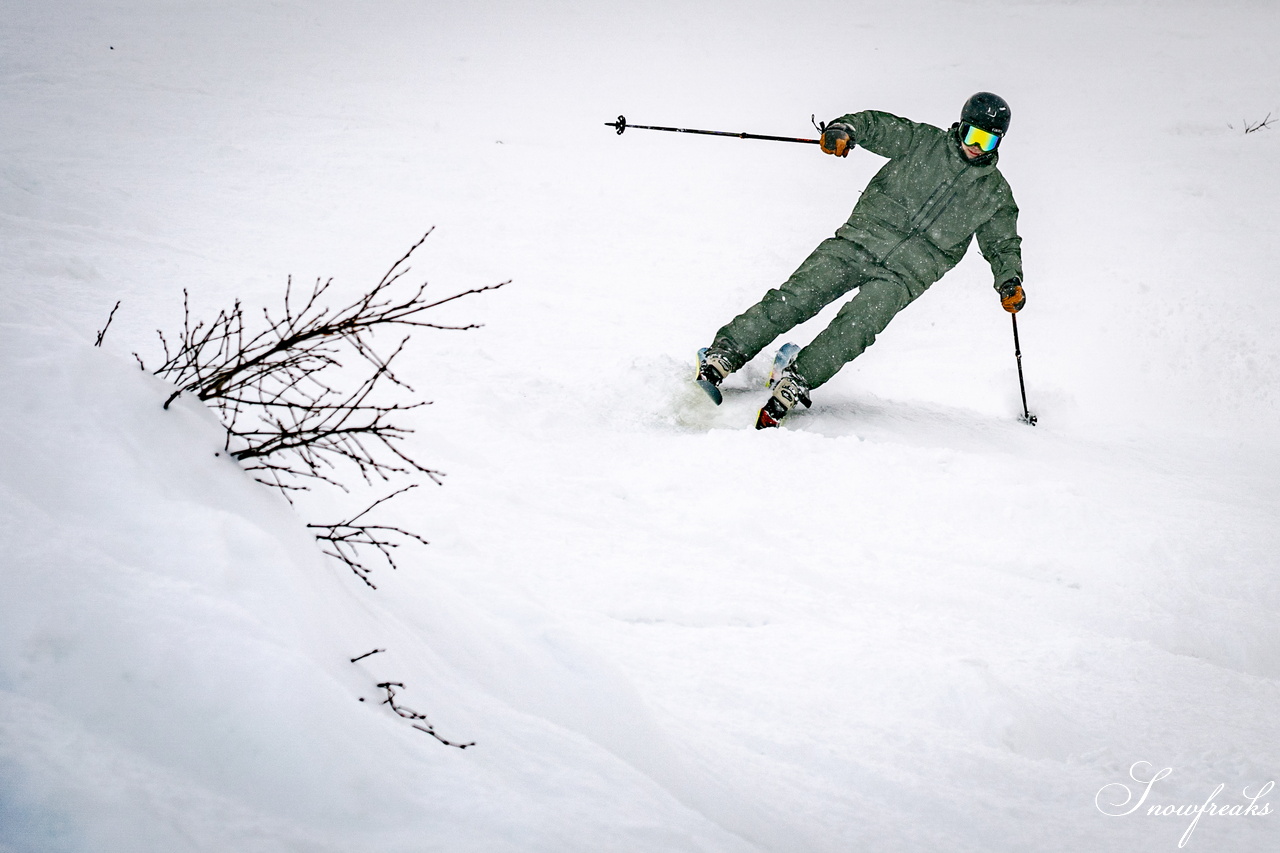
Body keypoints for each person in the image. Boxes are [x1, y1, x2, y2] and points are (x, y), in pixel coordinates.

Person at [695, 92, 1026, 429]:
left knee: (856, 329)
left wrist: (1009, 280)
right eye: (972, 135)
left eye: (987, 140)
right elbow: (877, 126)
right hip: (859, 241)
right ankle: (725, 353)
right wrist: (845, 130)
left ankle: (798, 378)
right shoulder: (923, 142)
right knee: (798, 297)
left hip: (905, 276)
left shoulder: (995, 194)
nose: (976, 146)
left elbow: (1003, 244)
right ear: (960, 127)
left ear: (998, 142)